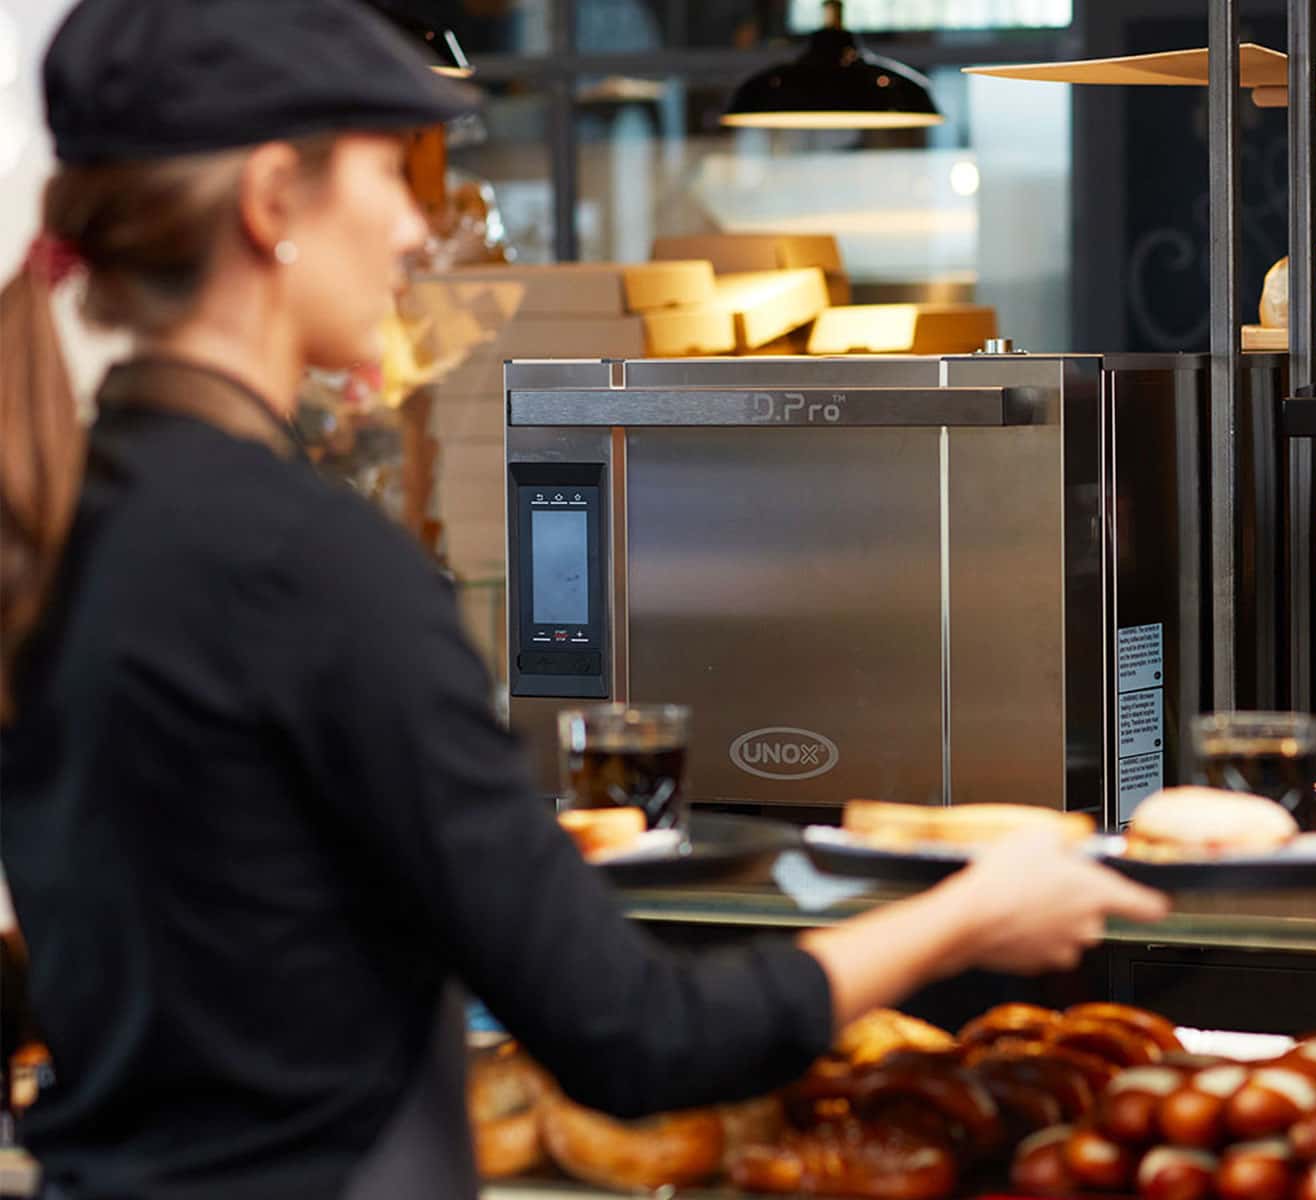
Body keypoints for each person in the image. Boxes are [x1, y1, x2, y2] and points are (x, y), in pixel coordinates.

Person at [0, 2, 1169, 1198]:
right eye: (384, 171)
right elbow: (635, 1037)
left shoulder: (51, 529)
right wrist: (970, 919)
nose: (415, 228)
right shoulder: (316, 566)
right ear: (270, 201)